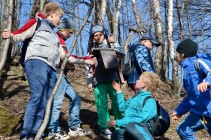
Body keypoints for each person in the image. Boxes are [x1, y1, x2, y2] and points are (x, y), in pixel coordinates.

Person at [2, 2, 64, 139]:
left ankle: (36, 133)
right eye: (59, 17)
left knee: (46, 100)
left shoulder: (55, 36)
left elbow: (65, 55)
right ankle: (26, 133)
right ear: (52, 14)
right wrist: (11, 35)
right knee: (38, 95)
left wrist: (85, 60)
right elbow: (22, 33)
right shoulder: (37, 22)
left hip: (51, 68)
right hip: (37, 62)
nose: (60, 20)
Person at [47, 18, 95, 139]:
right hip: (56, 74)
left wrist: (69, 64)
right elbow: (65, 57)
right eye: (70, 32)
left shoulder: (61, 39)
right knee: (57, 102)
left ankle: (74, 127)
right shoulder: (57, 37)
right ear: (63, 29)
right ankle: (53, 131)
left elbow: (63, 58)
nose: (71, 35)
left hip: (61, 74)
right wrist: (85, 60)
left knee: (75, 98)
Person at [86, 24, 125, 140]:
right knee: (101, 104)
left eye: (100, 34)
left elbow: (122, 53)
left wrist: (114, 42)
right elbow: (89, 67)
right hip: (99, 80)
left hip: (113, 78)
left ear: (104, 34)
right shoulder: (91, 50)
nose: (98, 37)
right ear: (92, 37)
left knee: (117, 103)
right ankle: (104, 128)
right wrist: (89, 81)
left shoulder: (111, 44)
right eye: (95, 36)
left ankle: (120, 125)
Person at [171, 38, 211, 139]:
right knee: (183, 130)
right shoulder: (186, 72)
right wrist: (179, 111)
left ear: (183, 54)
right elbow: (190, 96)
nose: (176, 56)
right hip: (199, 113)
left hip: (209, 111)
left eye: (177, 53)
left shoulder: (199, 62)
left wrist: (207, 81)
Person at [108, 72, 161, 140]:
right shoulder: (135, 98)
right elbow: (122, 108)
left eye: (139, 79)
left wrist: (118, 122)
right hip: (129, 129)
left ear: (144, 84)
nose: (136, 81)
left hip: (141, 131)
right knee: (116, 134)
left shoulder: (150, 101)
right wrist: (119, 91)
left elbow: (141, 119)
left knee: (130, 127)